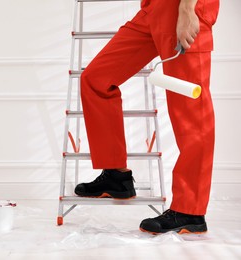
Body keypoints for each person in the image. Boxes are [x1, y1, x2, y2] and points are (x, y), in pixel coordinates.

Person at [74, 0, 220, 234]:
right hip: (153, 10)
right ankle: (116, 176)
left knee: (192, 115)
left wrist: (187, 9)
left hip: (184, 7)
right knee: (95, 79)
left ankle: (189, 210)